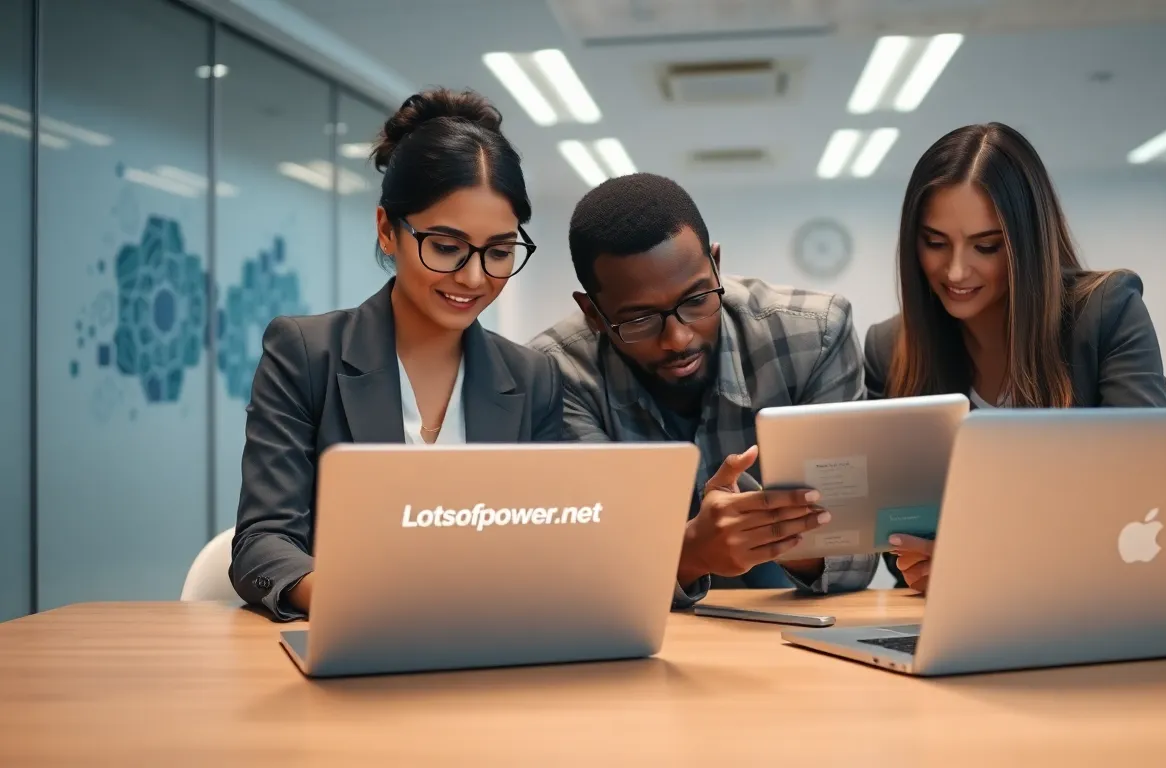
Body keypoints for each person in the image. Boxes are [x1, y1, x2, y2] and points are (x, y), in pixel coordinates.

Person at [231, 88, 563, 621]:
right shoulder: (307, 353)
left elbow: (552, 541)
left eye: (500, 252)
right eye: (447, 247)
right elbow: (262, 544)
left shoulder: (533, 377)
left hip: (490, 641)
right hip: (357, 636)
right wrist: (364, 605)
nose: (473, 277)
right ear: (388, 230)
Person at [529, 173, 878, 609]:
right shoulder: (554, 373)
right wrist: (692, 552)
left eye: (696, 300)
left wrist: (776, 540)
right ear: (593, 314)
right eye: (639, 319)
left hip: (796, 614)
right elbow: (587, 571)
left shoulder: (815, 336)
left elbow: (856, 554)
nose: (678, 339)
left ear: (715, 264)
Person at [864, 123, 1166, 592]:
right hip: (952, 613)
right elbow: (895, 544)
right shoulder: (890, 349)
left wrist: (988, 558)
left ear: (1027, 244)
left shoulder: (1107, 311)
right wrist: (924, 560)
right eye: (935, 243)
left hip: (1094, 598)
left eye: (986, 246)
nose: (956, 271)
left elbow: (1143, 492)